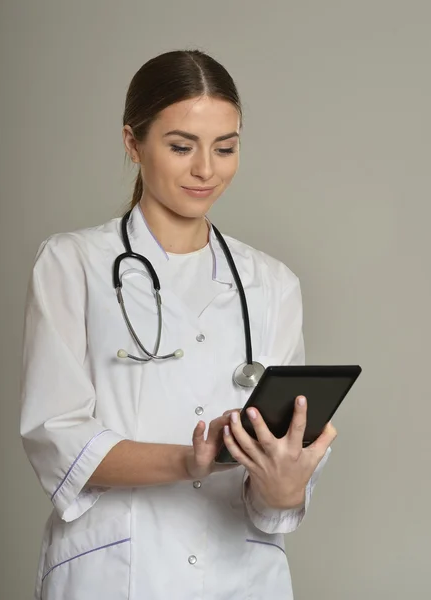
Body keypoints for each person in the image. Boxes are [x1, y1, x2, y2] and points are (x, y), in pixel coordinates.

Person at [20, 49, 337, 600]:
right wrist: (191, 458)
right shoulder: (73, 264)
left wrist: (285, 484)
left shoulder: (273, 284)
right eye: (180, 146)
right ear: (132, 143)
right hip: (116, 574)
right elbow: (58, 438)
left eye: (226, 147)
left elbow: (272, 500)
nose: (206, 170)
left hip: (243, 578)